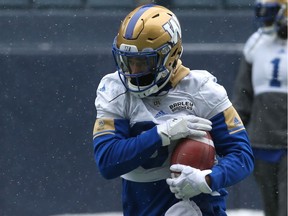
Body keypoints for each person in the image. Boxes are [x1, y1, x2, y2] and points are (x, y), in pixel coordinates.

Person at [93, 4, 254, 216]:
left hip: (195, 204)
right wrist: (162, 133)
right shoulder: (114, 89)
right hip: (140, 202)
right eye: (128, 61)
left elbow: (242, 155)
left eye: (143, 62)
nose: (133, 72)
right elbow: (107, 162)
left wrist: (207, 179)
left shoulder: (201, 89)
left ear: (172, 54)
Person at [232, 0, 287, 216]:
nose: (266, 15)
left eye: (272, 10)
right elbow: (243, 97)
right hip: (262, 140)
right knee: (271, 210)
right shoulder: (255, 43)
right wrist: (229, 132)